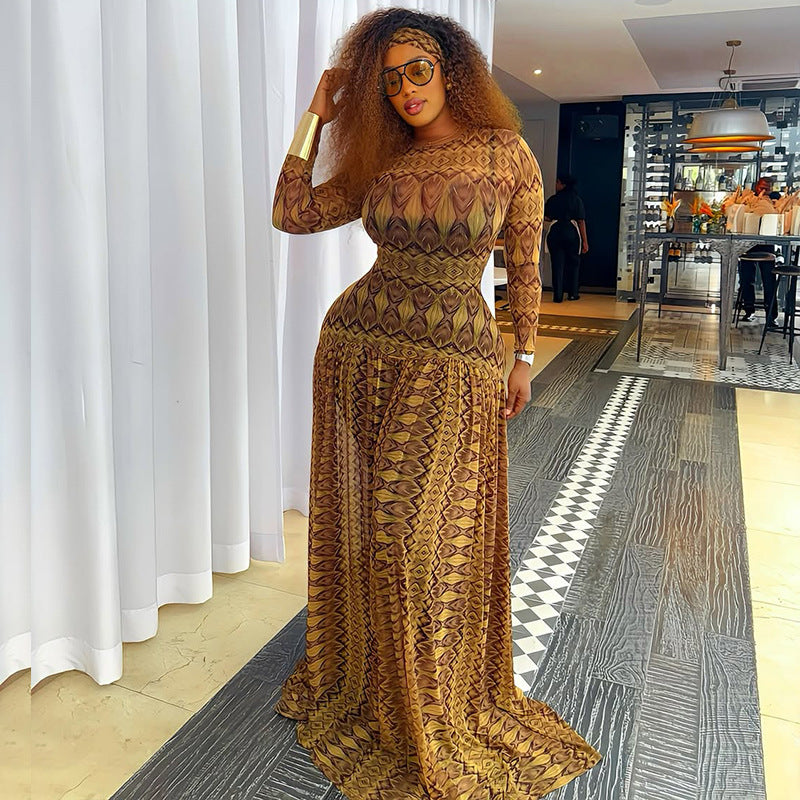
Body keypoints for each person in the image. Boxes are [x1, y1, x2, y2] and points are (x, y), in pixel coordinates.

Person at [271, 9, 600, 799]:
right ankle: (370, 678)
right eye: (389, 79)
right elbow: (292, 213)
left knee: (412, 536)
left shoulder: (504, 153)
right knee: (366, 526)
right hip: (360, 350)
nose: (405, 90)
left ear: (451, 70)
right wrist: (316, 117)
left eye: (417, 70)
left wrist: (525, 354)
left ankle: (434, 695)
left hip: (455, 362)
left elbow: (526, 262)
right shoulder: (384, 157)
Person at [738, 176, 782, 324]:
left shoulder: (775, 200)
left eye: (767, 188)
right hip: (748, 242)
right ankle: (748, 310)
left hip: (766, 243)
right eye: (762, 187)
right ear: (757, 186)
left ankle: (771, 315)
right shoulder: (749, 199)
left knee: (769, 280)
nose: (764, 190)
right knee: (746, 278)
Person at [543, 174, 588, 302]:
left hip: (556, 231)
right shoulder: (576, 200)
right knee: (573, 264)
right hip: (571, 231)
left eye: (557, 182)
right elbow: (581, 221)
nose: (556, 185)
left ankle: (557, 296)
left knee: (557, 264)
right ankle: (573, 293)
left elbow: (546, 217)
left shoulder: (553, 199)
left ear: (563, 184)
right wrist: (585, 241)